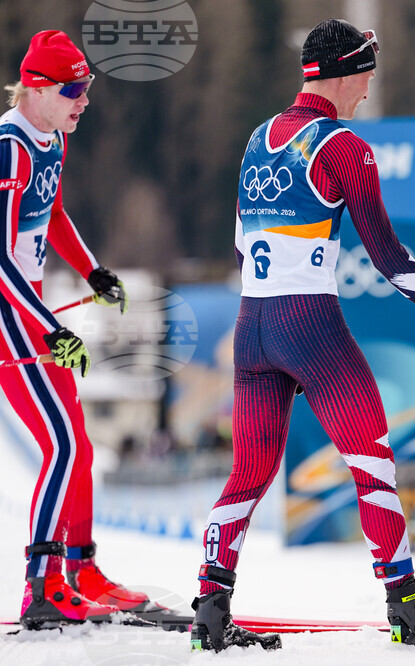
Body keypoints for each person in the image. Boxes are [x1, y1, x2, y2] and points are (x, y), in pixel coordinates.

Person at [190, 19, 415, 652]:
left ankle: (210, 607)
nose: (369, 87)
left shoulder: (260, 136)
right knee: (371, 460)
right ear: (346, 70)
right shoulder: (344, 146)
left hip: (253, 325)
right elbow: (388, 257)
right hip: (309, 324)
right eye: (367, 71)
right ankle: (407, 608)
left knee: (249, 475)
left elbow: (239, 239)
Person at [1, 30, 143, 630]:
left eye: (87, 89)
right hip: (9, 317)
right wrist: (48, 329)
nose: (84, 101)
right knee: (60, 446)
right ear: (36, 88)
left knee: (77, 445)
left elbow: (52, 212)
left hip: (32, 310)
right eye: (74, 90)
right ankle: (42, 587)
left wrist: (92, 270)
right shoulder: (10, 147)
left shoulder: (52, 137)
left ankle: (81, 571)